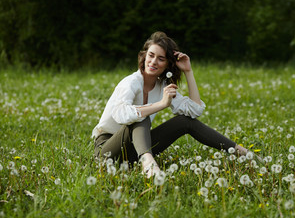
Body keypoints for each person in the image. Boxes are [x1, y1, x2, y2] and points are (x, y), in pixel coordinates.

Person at [92, 31, 253, 178]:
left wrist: (188, 72)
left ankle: (243, 153)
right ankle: (148, 164)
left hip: (136, 149)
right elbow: (122, 114)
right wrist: (161, 104)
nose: (153, 62)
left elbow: (195, 110)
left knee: (185, 121)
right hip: (107, 151)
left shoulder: (163, 87)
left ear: (168, 64)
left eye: (161, 59)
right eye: (151, 55)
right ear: (144, 56)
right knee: (141, 117)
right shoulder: (130, 82)